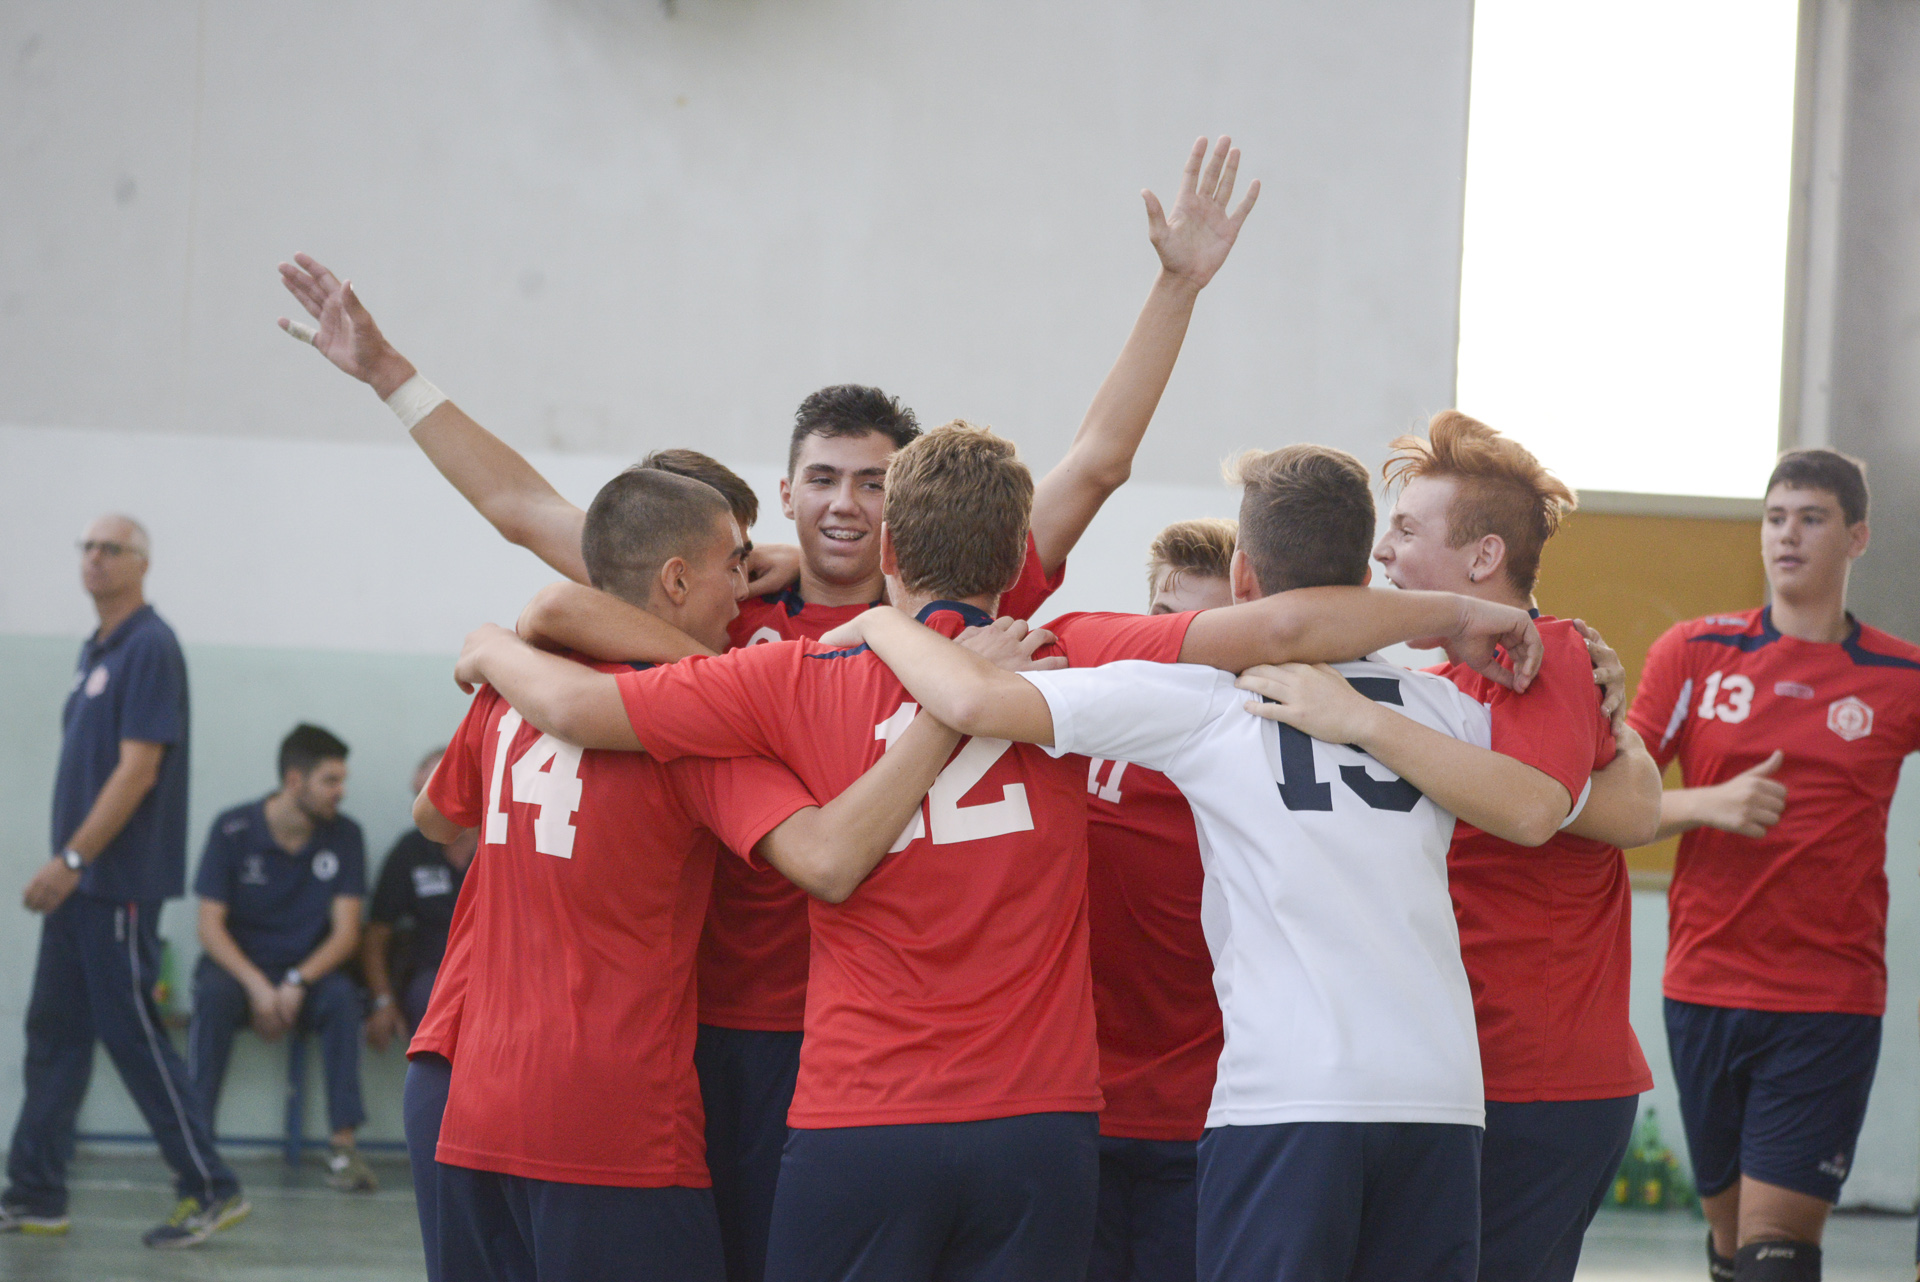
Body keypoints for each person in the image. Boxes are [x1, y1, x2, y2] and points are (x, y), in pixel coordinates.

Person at [279, 132, 1262, 1282]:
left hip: (906, 1062)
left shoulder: (981, 602)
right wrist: (392, 370)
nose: (845, 503)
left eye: (873, 481)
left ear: (907, 510)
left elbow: (1095, 460)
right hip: (718, 1033)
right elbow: (527, 510)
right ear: (783, 489)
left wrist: (1176, 284)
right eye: (823, 478)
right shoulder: (727, 615)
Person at [451, 424, 1547, 1282]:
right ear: (1023, 558)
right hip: (1039, 1125)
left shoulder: (783, 671)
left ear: (886, 546)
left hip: (860, 1116)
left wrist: (490, 642)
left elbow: (585, 708)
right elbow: (1283, 629)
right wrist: (1456, 612)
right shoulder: (1071, 656)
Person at [787, 442, 1594, 1282]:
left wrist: (877, 617)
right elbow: (1582, 799)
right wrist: (1571, 662)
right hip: (1441, 1099)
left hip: (1286, 1099)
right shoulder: (1453, 709)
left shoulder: (1201, 704)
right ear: (1362, 574)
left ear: (1243, 577)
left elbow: (972, 698)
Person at [405, 466, 972, 1280]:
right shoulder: (681, 733)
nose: (743, 599)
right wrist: (949, 719)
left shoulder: (509, 695)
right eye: (732, 568)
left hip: (477, 1103)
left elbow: (433, 815)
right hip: (614, 1119)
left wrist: (498, 646)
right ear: (676, 580)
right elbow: (827, 861)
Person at [1359, 410, 1663, 1282]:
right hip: (1470, 1073)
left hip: (1539, 1081)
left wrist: (1359, 721)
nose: (1384, 552)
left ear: (1484, 557)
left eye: (1408, 530)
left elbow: (1553, 810)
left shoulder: (1551, 656)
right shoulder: (1444, 682)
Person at [1623, 449, 1920, 1282]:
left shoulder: (1900, 677)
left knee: (1777, 1260)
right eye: (1775, 516)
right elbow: (1609, 793)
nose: (1788, 535)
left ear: (1856, 537)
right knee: (1731, 1251)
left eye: (1812, 518)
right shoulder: (1696, 653)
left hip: (1828, 1003)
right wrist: (1698, 805)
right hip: (1703, 990)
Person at [1, 515, 248, 1250]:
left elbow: (138, 770)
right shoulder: (97, 648)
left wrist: (73, 860)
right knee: (54, 1034)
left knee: (133, 1037)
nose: (96, 560)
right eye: (88, 548)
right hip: (81, 889)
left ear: (141, 564)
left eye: (112, 549)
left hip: (115, 883)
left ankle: (211, 1187)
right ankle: (37, 1191)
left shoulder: (149, 646)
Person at [1084, 519, 1234, 1282]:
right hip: (1078, 1108)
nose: (1187, 656)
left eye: (1213, 638)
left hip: (1207, 1118)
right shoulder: (1071, 731)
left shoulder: (1273, 754)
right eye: (1171, 634)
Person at [190, 723, 375, 1193]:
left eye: (342, 780)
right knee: (210, 995)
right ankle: (195, 1145)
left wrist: (296, 980)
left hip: (307, 972)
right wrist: (257, 985)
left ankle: (342, 1149)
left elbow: (347, 932)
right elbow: (209, 925)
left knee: (342, 999)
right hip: (240, 970)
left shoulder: (346, 835)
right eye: (331, 781)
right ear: (295, 781)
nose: (342, 792)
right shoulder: (232, 828)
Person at [364, 747, 475, 1046]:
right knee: (434, 1003)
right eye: (424, 800)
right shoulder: (410, 851)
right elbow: (376, 934)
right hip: (433, 977)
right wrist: (383, 1001)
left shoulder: (504, 847)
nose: (431, 812)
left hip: (498, 973)